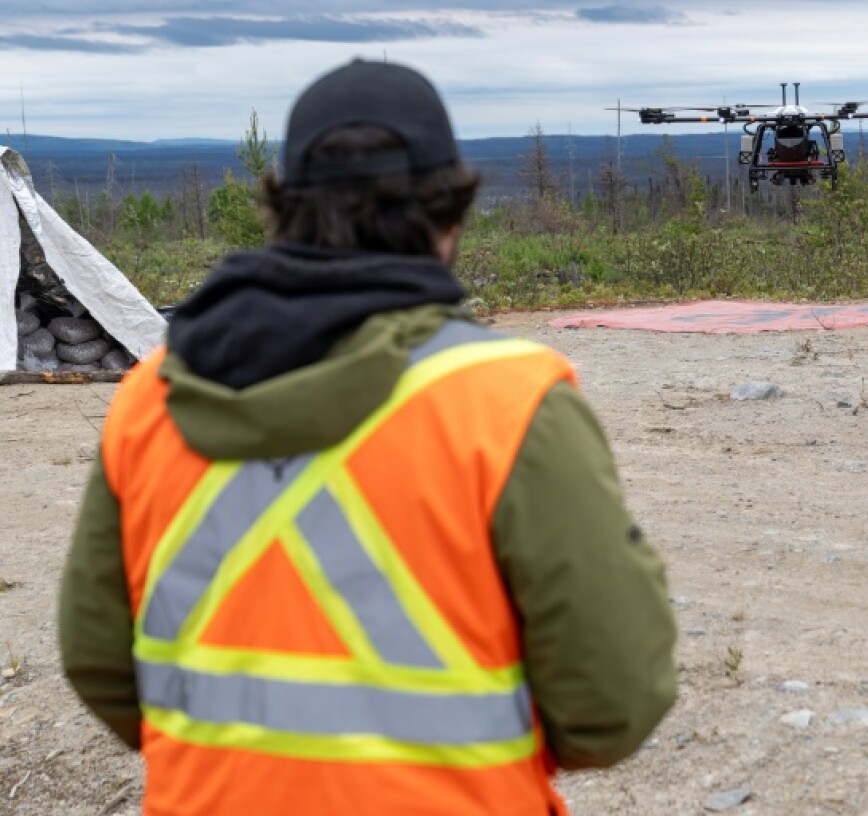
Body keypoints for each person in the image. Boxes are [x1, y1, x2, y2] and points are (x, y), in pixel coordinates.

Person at [59, 59, 677, 816]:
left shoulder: (148, 398)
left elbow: (100, 667)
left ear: (282, 209)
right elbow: (611, 705)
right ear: (450, 215)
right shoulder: (509, 402)